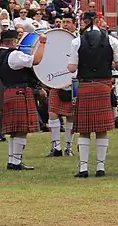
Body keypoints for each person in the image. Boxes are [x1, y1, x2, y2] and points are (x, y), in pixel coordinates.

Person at [67, 12, 118, 177]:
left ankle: (83, 169)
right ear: (99, 21)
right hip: (103, 86)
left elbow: (71, 68)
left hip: (85, 86)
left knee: (84, 130)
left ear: (83, 22)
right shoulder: (112, 40)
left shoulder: (76, 41)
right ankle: (100, 168)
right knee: (101, 130)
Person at [0, 28, 47, 170]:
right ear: (12, 41)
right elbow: (36, 60)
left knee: (14, 130)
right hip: (20, 93)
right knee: (21, 129)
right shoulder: (15, 55)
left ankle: (13, 160)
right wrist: (42, 43)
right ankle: (16, 162)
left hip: (8, 91)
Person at [46, 14, 77, 157]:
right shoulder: (54, 39)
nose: (65, 25)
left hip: (74, 81)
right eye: (63, 22)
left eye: (68, 22)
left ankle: (68, 147)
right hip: (56, 81)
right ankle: (56, 147)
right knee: (52, 113)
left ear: (74, 25)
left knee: (70, 116)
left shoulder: (78, 41)